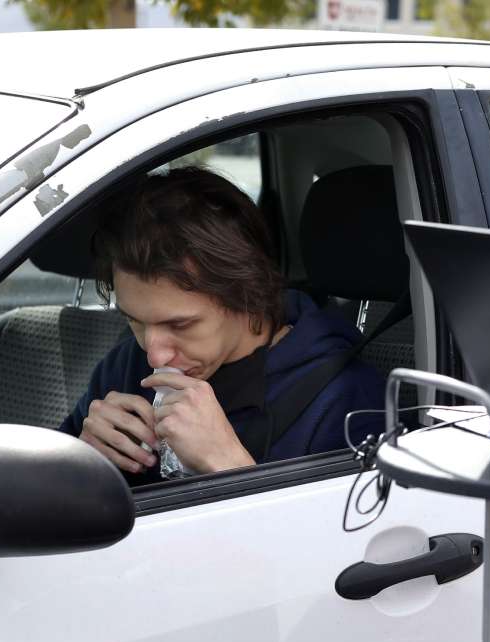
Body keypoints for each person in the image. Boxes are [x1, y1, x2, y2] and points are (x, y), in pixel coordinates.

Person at [60, 166, 384, 485]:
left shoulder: (345, 401)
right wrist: (81, 458)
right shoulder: (125, 366)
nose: (155, 356)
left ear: (247, 295)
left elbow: (349, 537)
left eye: (181, 324)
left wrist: (228, 464)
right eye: (134, 320)